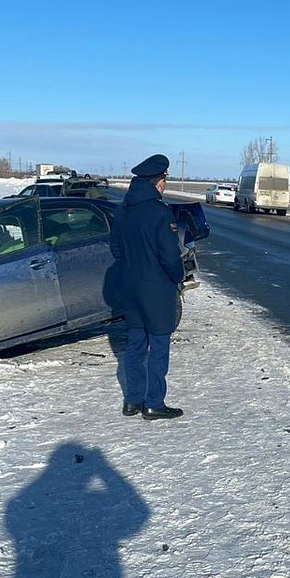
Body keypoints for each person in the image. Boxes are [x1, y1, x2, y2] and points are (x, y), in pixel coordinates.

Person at [110, 154, 186, 420]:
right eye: (165, 179)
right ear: (158, 181)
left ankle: (132, 401)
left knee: (135, 345)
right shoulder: (160, 213)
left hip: (130, 288)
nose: (165, 184)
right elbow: (170, 256)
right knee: (159, 346)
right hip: (156, 290)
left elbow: (116, 250)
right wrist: (178, 277)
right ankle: (154, 402)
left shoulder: (123, 210)